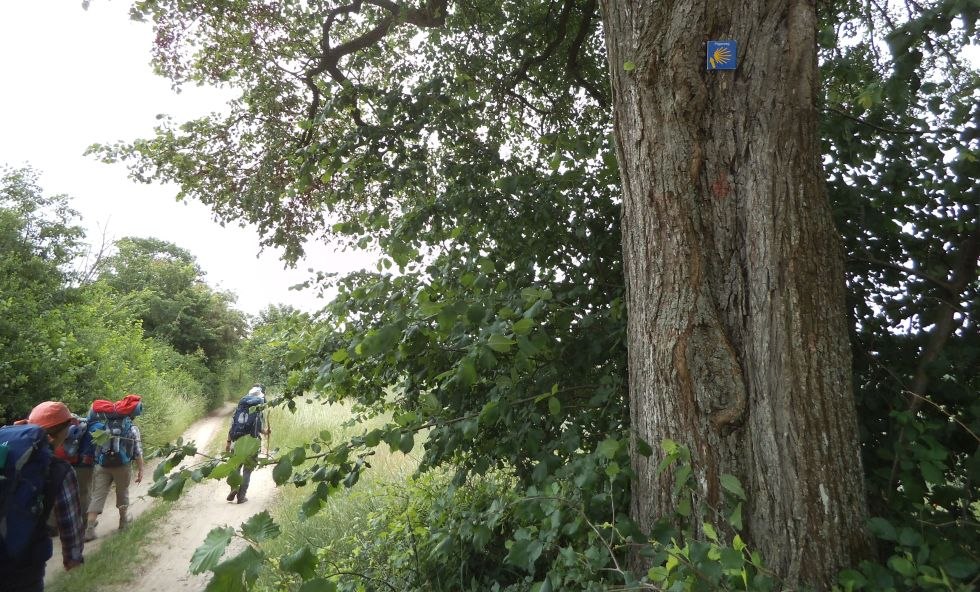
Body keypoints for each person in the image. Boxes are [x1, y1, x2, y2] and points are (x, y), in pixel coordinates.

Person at [0, 401, 85, 591]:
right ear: (63, 433)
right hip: (23, 567)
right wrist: (73, 558)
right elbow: (70, 522)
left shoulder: (5, 454)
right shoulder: (59, 470)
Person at [83, 406, 144, 542]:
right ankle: (123, 522)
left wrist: (99, 461)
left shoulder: (103, 427)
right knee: (122, 493)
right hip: (122, 466)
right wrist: (141, 469)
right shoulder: (132, 429)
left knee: (97, 496)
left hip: (102, 465)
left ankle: (89, 530)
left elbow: (97, 449)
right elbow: (137, 452)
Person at [224, 384, 271, 504]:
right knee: (247, 470)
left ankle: (234, 487)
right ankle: (241, 496)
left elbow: (232, 426)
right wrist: (266, 432)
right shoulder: (259, 410)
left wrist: (228, 443)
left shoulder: (239, 408)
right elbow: (260, 429)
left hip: (237, 442)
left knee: (235, 467)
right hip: (252, 444)